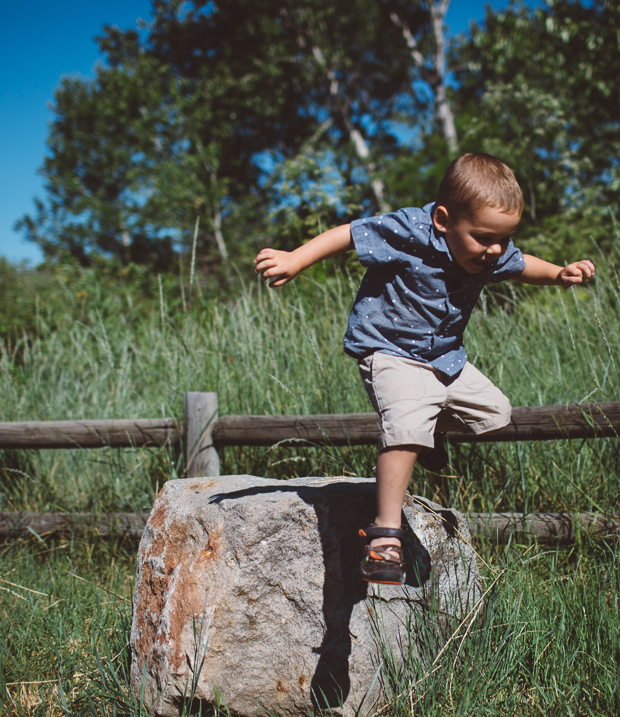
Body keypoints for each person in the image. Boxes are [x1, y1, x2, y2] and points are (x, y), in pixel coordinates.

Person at [254, 153, 595, 584]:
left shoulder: (494, 252)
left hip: (443, 357)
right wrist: (296, 259)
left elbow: (523, 265)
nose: (494, 251)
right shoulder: (408, 231)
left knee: (495, 413)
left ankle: (432, 432)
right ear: (442, 220)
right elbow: (348, 234)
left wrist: (560, 274)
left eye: (503, 240)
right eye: (484, 238)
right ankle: (385, 538)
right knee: (407, 426)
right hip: (391, 352)